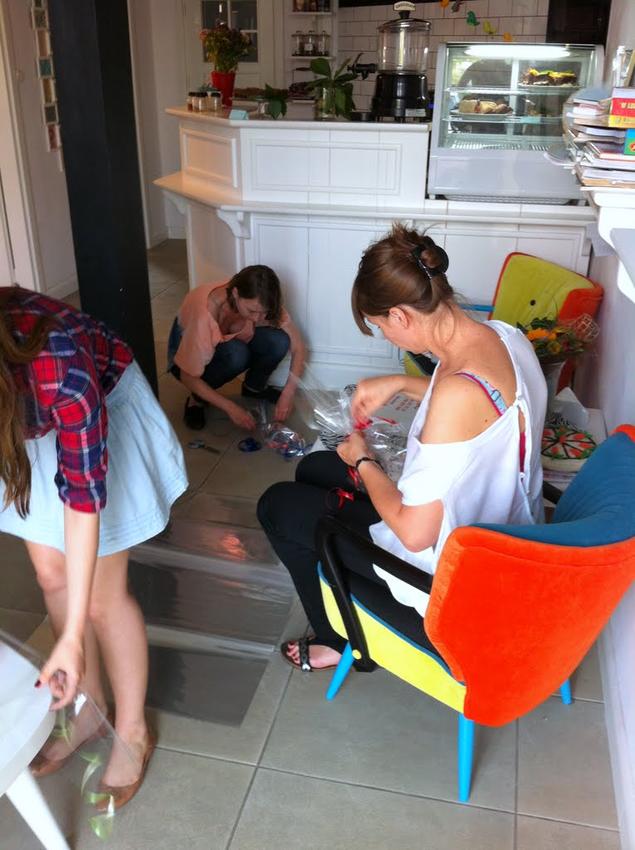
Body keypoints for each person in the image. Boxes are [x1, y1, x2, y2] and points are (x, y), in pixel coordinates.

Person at [258, 224, 547, 672]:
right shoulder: (504, 337)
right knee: (315, 470)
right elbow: (489, 402)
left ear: (400, 315)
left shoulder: (455, 394)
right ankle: (338, 600)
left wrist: (364, 461)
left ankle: (339, 638)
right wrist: (399, 382)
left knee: (278, 506)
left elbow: (415, 534)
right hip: (504, 527)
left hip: (451, 580)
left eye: (381, 327)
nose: (387, 337)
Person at [0, 286, 188, 808]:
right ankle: (90, 706)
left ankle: (132, 731)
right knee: (50, 574)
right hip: (24, 416)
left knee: (103, 599)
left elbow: (82, 499)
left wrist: (71, 640)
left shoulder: (58, 366)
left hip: (99, 401)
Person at [168, 265, 306, 430]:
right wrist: (230, 408)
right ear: (235, 294)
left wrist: (288, 393)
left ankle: (254, 389)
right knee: (237, 354)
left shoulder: (260, 297)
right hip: (183, 359)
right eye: (252, 311)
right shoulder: (205, 316)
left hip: (225, 341)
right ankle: (197, 400)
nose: (258, 318)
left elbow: (298, 346)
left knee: (279, 341)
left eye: (264, 312)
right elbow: (187, 376)